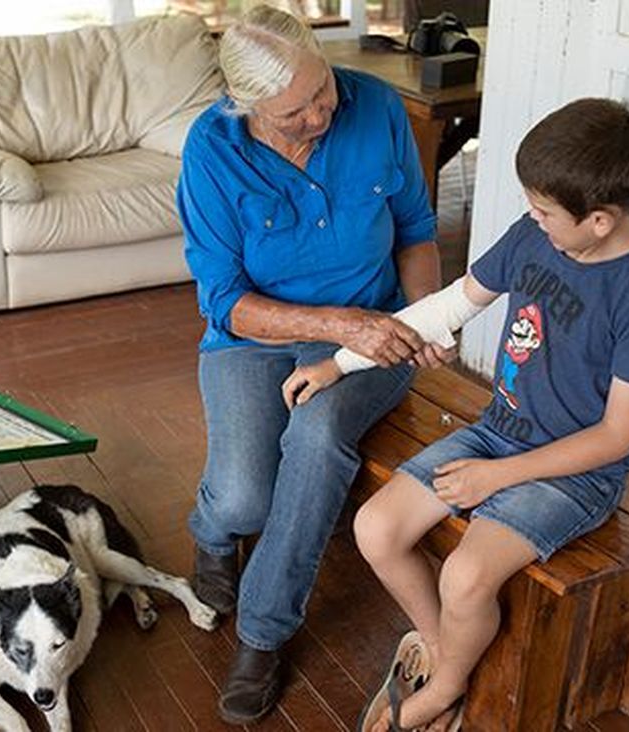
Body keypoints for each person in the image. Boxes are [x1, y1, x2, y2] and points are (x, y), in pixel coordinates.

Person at [285, 97, 629, 732]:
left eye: (545, 212)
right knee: (376, 528)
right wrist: (338, 363)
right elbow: (451, 305)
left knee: (466, 577)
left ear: (600, 220)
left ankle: (444, 688)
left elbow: (617, 435)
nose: (533, 218)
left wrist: (495, 477)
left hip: (576, 475)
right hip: (499, 433)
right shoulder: (532, 238)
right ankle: (440, 646)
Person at [176, 4, 445, 724]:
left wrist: (421, 319)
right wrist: (332, 322)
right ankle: (213, 532)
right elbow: (225, 300)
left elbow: (416, 229)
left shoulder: (376, 107)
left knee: (319, 437)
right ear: (246, 106)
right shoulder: (211, 150)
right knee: (244, 501)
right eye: (295, 112)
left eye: (322, 90)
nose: (321, 114)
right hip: (253, 337)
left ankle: (262, 634)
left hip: (372, 335)